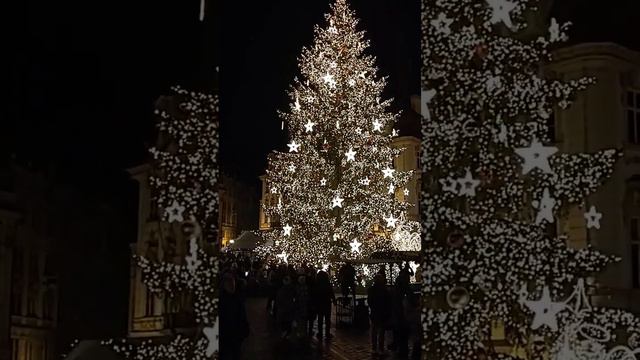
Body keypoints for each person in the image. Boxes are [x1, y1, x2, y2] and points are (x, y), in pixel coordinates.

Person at [220, 272, 249, 360]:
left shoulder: (237, 298)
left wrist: (245, 329)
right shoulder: (222, 300)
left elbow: (242, 315)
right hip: (226, 335)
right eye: (229, 284)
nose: (232, 286)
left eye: (233, 283)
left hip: (236, 334)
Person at [368, 273, 392, 356]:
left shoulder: (371, 289)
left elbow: (369, 302)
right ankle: (380, 349)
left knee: (374, 331)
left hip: (375, 312)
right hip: (382, 313)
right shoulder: (385, 290)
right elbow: (388, 302)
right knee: (381, 332)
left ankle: (374, 349)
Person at [312, 270, 336, 340]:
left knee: (320, 318)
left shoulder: (317, 284)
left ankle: (320, 333)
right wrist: (334, 300)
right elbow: (331, 293)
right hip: (327, 303)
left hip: (319, 303)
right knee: (327, 319)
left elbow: (314, 294)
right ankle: (327, 333)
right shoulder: (328, 284)